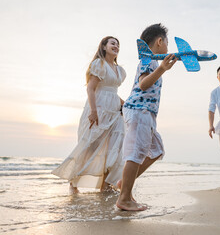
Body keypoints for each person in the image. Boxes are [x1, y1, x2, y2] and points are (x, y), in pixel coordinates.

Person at [52, 36, 127, 194]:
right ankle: (74, 181)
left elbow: (112, 92)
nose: (116, 46)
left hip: (115, 112)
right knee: (90, 146)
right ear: (104, 47)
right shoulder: (99, 64)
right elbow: (91, 89)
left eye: (118, 44)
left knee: (115, 147)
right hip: (98, 109)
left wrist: (125, 104)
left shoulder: (119, 70)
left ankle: (105, 185)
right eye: (113, 43)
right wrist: (93, 112)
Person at [116, 23, 176, 211]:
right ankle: (124, 198)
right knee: (136, 152)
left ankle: (123, 184)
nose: (167, 46)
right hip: (139, 111)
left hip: (147, 114)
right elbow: (143, 84)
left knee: (156, 151)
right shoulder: (148, 60)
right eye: (166, 42)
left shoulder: (153, 62)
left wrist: (161, 69)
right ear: (159, 42)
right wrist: (162, 69)